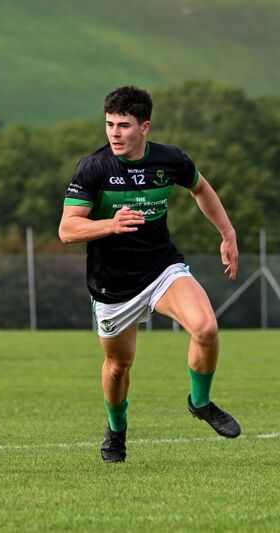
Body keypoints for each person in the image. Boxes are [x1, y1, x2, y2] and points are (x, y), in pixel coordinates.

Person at [59, 85, 240, 463]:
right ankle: (116, 429)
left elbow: (201, 188)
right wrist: (109, 224)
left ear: (145, 127)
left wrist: (227, 233)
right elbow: (67, 229)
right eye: (109, 124)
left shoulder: (169, 160)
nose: (114, 133)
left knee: (205, 328)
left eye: (123, 125)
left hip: (162, 268)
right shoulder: (93, 167)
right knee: (118, 365)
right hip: (112, 283)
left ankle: (200, 402)